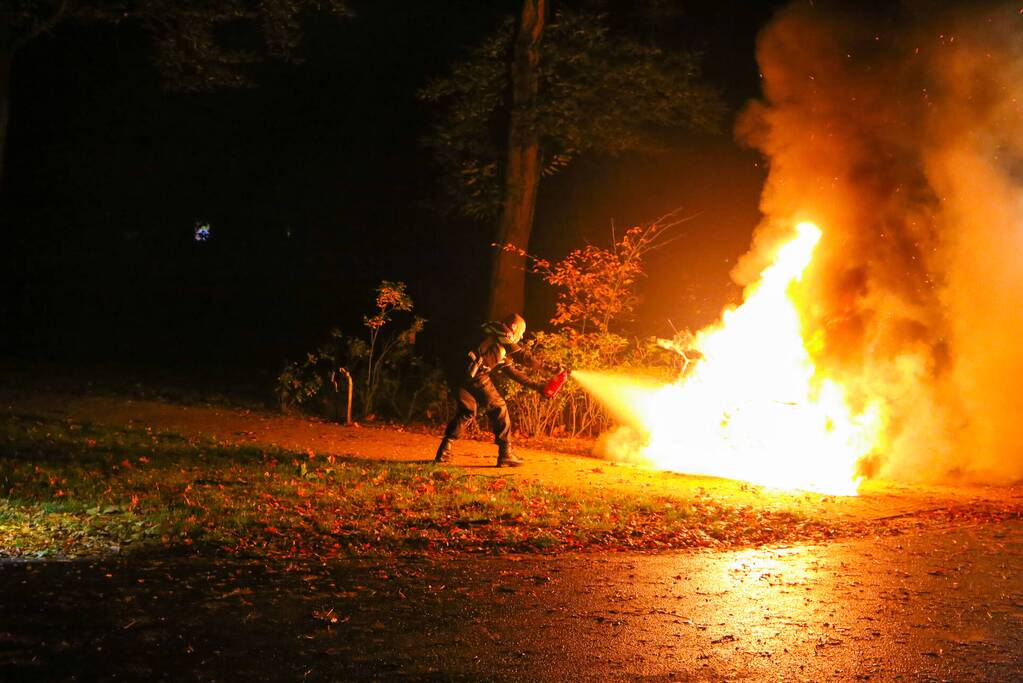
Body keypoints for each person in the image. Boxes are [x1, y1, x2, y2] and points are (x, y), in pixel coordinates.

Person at [434, 313, 558, 467]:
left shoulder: (497, 343)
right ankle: (505, 454)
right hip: (472, 374)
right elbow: (521, 355)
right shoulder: (499, 329)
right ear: (513, 326)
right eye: (522, 331)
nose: (522, 335)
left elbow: (512, 372)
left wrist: (539, 387)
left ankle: (444, 453)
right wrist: (550, 368)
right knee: (499, 407)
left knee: (467, 411)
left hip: (458, 373)